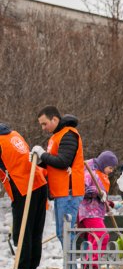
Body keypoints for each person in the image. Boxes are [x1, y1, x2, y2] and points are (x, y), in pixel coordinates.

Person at [0, 124, 47, 269]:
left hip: (23, 187)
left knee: (22, 233)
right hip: (39, 182)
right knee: (34, 232)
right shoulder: (13, 134)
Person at [31, 106, 84, 249]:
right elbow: (53, 163)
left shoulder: (68, 134)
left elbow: (63, 162)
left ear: (54, 119)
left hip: (69, 192)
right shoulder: (56, 137)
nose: (43, 128)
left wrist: (42, 154)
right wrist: (37, 164)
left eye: (44, 123)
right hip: (61, 192)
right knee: (64, 233)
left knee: (65, 234)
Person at [79, 151, 118, 269]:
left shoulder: (102, 176)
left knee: (93, 239)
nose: (111, 171)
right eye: (110, 167)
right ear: (104, 164)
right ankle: (92, 266)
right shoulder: (90, 173)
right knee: (101, 236)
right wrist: (97, 191)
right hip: (89, 212)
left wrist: (107, 203)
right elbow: (82, 190)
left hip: (96, 212)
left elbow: (100, 196)